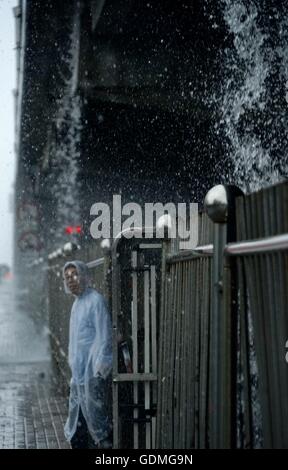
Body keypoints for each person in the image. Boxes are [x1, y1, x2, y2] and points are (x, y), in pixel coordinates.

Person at [63, 260, 113, 449]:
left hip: (92, 375)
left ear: (84, 276)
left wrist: (99, 370)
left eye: (74, 275)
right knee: (78, 425)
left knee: (96, 421)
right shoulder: (76, 304)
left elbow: (104, 336)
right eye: (67, 277)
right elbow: (74, 341)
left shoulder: (95, 301)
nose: (71, 280)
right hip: (79, 376)